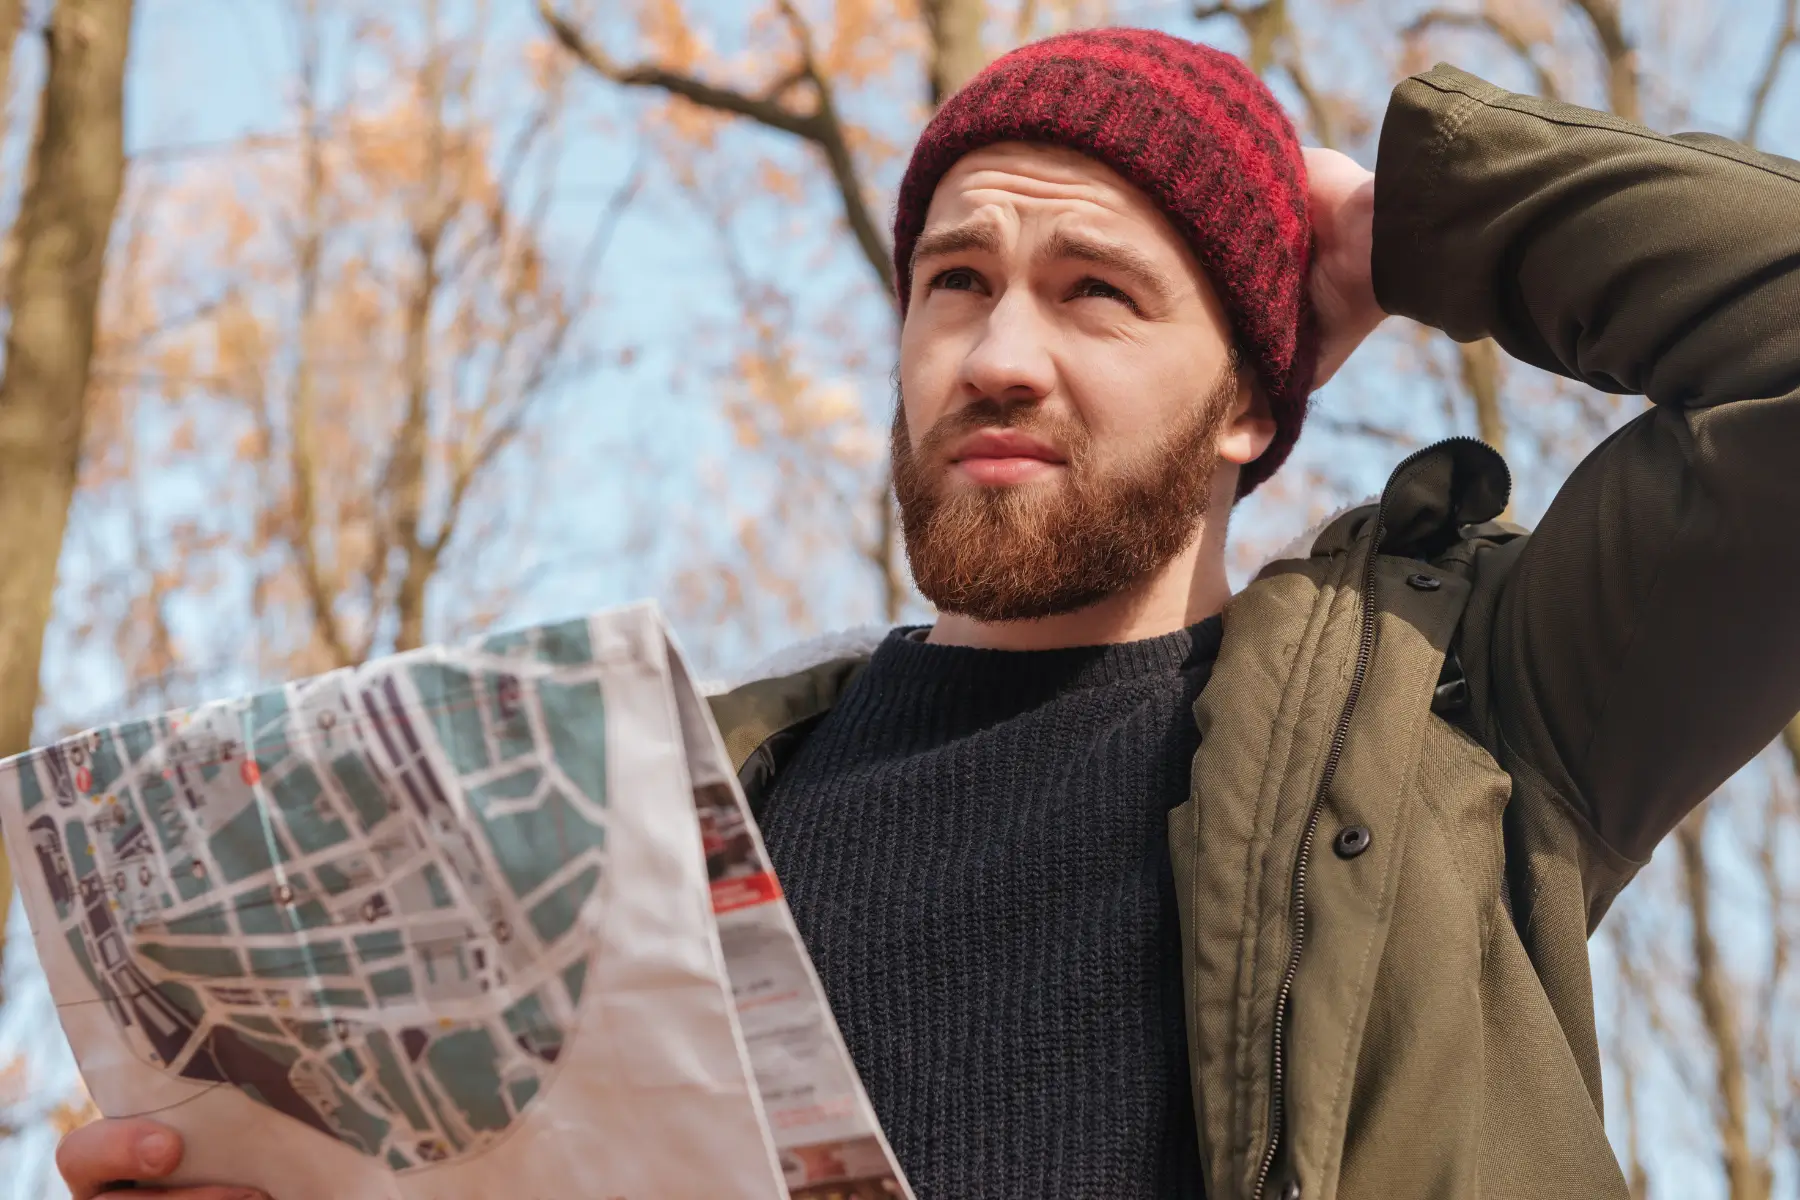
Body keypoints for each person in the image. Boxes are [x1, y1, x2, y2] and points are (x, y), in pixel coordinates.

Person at [56, 26, 1800, 1200]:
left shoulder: (1465, 717)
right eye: (953, 282)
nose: (997, 354)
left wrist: (1397, 217)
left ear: (1252, 405)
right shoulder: (652, 842)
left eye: (1098, 291)